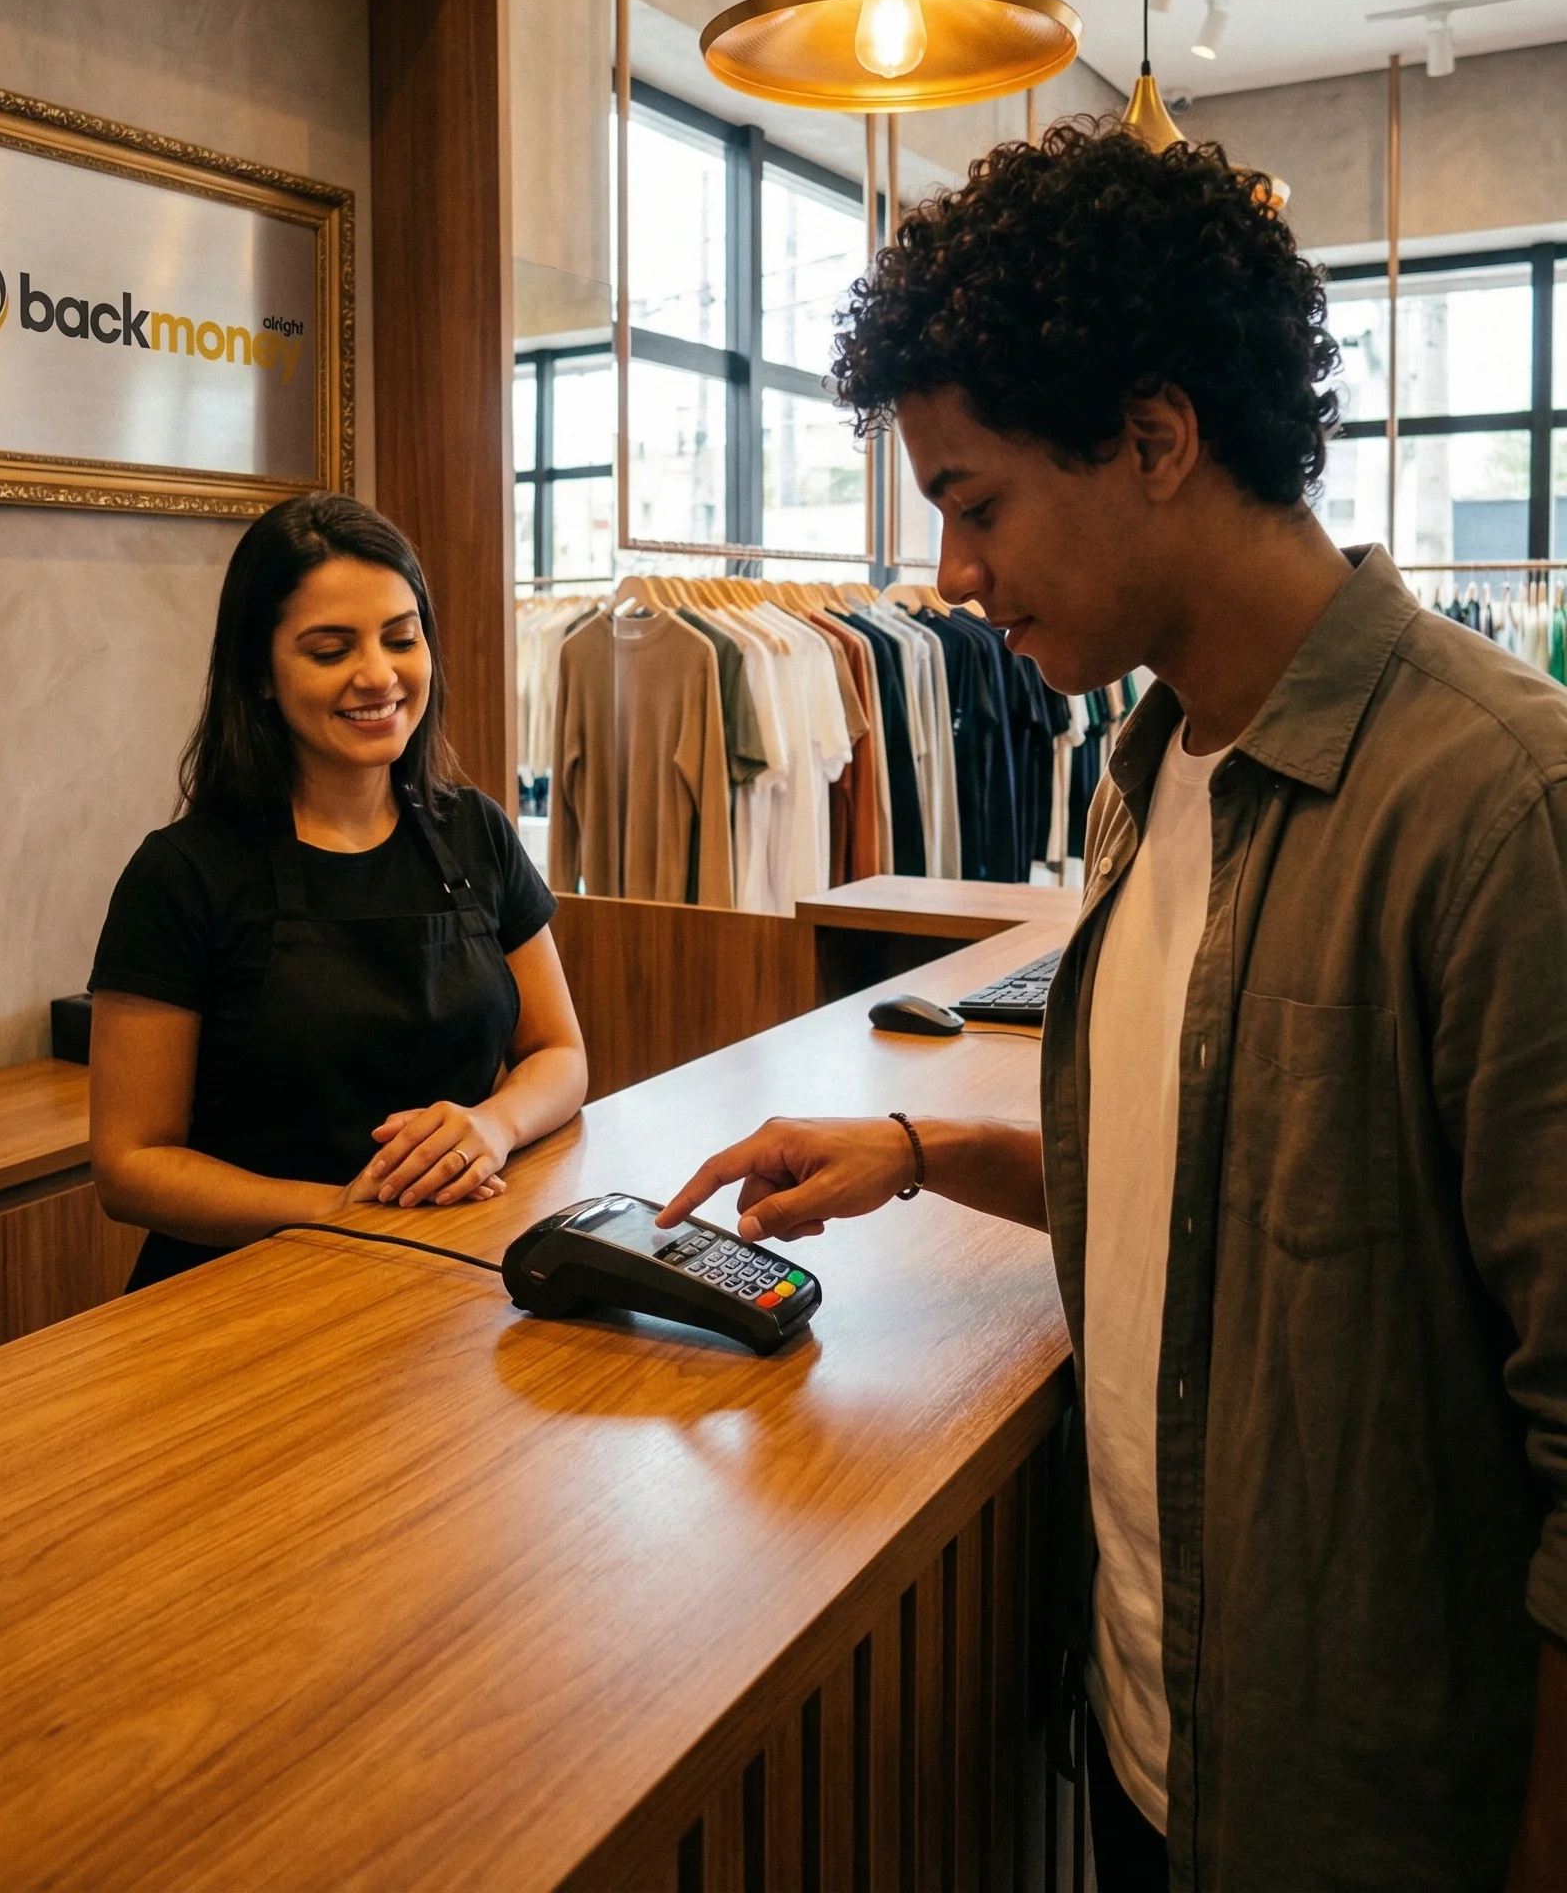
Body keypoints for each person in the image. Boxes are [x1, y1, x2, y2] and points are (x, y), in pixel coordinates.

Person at [658, 123, 1567, 1893]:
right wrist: (922, 1150)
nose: (949, 576)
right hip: (1154, 1759)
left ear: (1154, 440)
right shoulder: (1140, 780)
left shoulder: (1496, 810)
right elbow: (1218, 1205)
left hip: (1369, 1827)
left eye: (975, 502)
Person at [89, 493, 586, 1289]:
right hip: (237, 1291)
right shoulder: (182, 874)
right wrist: (338, 1211)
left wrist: (492, 1126)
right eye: (330, 650)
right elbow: (130, 1165)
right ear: (259, 674)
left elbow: (560, 1053)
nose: (378, 675)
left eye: (402, 639)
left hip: (446, 1271)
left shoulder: (475, 832)